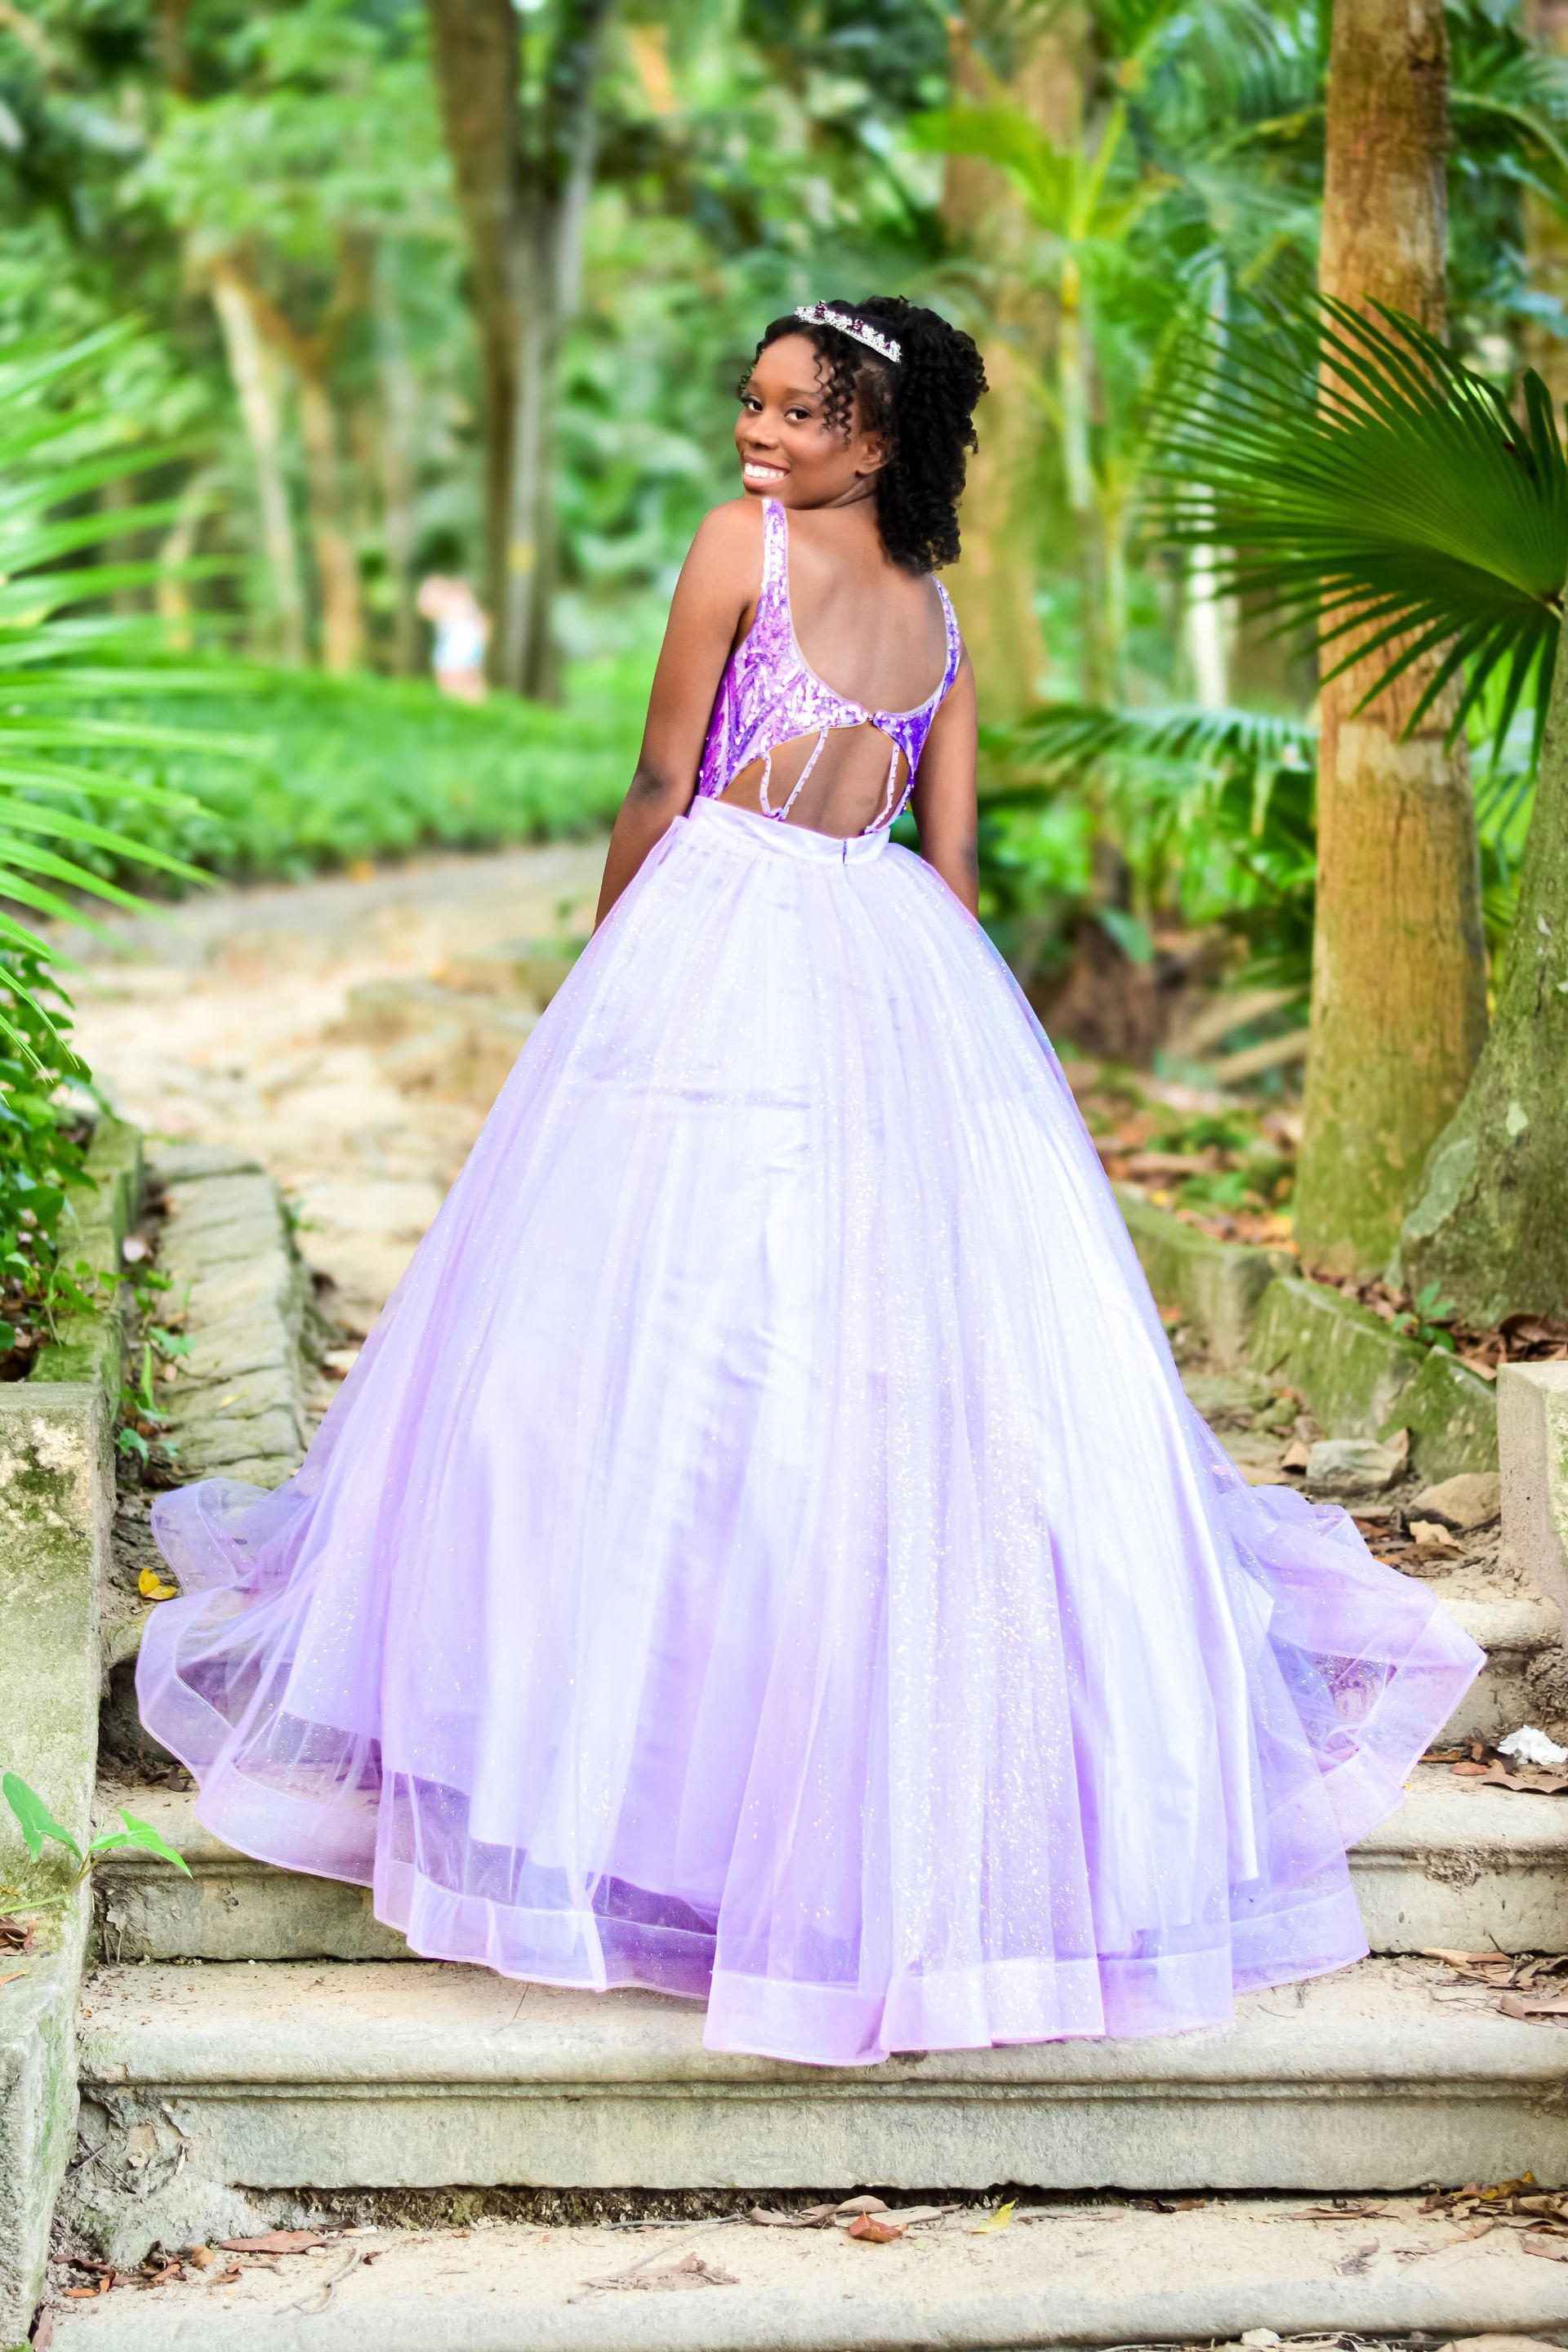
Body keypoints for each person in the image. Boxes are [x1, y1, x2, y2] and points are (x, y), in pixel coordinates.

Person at [138, 297, 1481, 2069]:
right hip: (892, 954)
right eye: (753, 405)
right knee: (844, 1352)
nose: (760, 433)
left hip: (719, 919)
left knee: (648, 1342)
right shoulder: (939, 628)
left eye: (799, 412)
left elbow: (660, 770)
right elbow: (956, 863)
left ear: (876, 437)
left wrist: (607, 973)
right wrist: (938, 1035)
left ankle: (605, 1787)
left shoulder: (737, 553)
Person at [416, 572, 489, 702]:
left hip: (459, 646)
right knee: (465, 677)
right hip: (464, 645)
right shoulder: (461, 601)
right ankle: (468, 703)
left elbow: (426, 608)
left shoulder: (456, 603)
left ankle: (464, 703)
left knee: (456, 676)